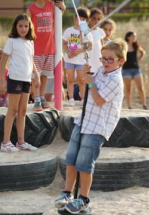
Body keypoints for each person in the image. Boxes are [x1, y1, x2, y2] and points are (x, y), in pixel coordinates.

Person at [54, 38, 127, 214]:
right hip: (84, 120)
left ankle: (83, 199)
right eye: (103, 58)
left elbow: (100, 99)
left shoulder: (116, 79)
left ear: (121, 61)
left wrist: (91, 82)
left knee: (85, 164)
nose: (105, 62)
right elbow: (85, 89)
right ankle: (67, 193)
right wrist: (86, 75)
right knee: (71, 159)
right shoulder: (101, 71)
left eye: (110, 59)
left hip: (97, 127)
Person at [0, 14, 40, 152]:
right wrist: (2, 81)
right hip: (15, 78)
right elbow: (3, 61)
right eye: (20, 26)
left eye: (26, 26)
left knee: (23, 111)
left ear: (30, 27)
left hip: (26, 80)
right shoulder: (12, 41)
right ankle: (5, 143)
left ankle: (21, 142)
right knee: (13, 110)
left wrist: (37, 75)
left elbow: (31, 60)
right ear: (15, 27)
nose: (23, 28)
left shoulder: (30, 42)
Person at [27, 0, 66, 111]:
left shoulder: (51, 5)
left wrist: (63, 8)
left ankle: (42, 97)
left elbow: (57, 19)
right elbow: (27, 26)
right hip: (36, 49)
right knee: (36, 77)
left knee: (44, 75)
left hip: (49, 49)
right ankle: (37, 99)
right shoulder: (31, 9)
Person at [63, 7, 92, 105]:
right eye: (79, 18)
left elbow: (90, 46)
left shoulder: (86, 31)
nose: (81, 21)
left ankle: (83, 98)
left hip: (81, 60)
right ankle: (70, 98)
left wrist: (80, 51)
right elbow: (64, 43)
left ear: (86, 21)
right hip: (69, 60)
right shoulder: (68, 30)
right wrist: (68, 52)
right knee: (70, 80)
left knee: (81, 80)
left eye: (84, 19)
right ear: (75, 18)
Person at [122, 31, 147, 109]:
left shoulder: (136, 46)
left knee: (140, 87)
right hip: (126, 70)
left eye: (135, 37)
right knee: (128, 89)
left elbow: (143, 52)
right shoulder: (124, 47)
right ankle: (129, 106)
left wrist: (138, 60)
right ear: (128, 37)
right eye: (133, 36)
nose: (134, 38)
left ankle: (144, 105)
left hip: (136, 69)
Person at [88, 8, 106, 74]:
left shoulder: (100, 31)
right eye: (94, 18)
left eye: (98, 19)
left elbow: (102, 45)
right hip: (89, 56)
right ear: (89, 18)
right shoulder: (85, 30)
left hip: (98, 57)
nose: (96, 21)